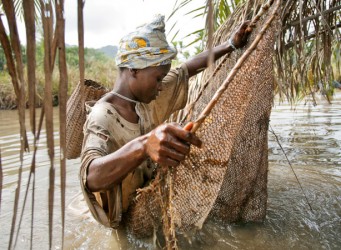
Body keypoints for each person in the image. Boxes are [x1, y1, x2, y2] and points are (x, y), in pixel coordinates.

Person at [80, 14, 252, 229]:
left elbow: (187, 68)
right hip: (124, 219)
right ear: (134, 69)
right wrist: (144, 145)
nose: (161, 86)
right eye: (158, 79)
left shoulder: (146, 97)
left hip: (146, 202)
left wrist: (230, 45)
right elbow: (91, 177)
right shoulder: (101, 116)